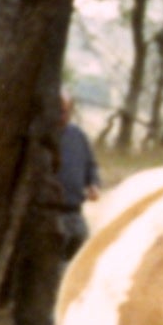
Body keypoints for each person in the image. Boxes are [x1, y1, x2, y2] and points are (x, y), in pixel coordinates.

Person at [58, 92, 101, 260]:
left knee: (82, 258)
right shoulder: (42, 137)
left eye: (67, 112)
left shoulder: (78, 136)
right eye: (60, 111)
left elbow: (91, 165)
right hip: (50, 215)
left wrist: (93, 184)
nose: (63, 116)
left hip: (75, 213)